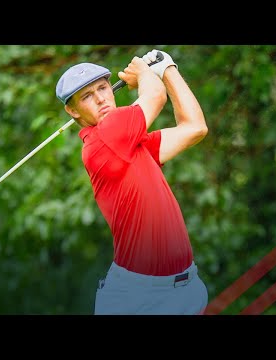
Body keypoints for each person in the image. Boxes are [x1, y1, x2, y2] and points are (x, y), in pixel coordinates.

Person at [55, 49, 209, 315]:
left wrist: (168, 69)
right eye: (87, 96)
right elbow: (155, 96)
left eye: (103, 88)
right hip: (139, 299)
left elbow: (194, 128)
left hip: (185, 289)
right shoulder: (104, 137)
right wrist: (144, 70)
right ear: (73, 111)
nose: (101, 99)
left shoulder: (130, 143)